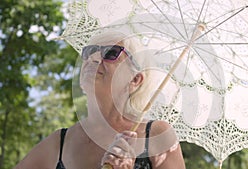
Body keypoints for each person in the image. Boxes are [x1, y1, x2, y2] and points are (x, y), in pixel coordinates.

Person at [14, 31, 186, 169]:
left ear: (135, 80)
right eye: (89, 51)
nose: (93, 58)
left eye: (111, 52)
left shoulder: (157, 136)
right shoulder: (59, 142)